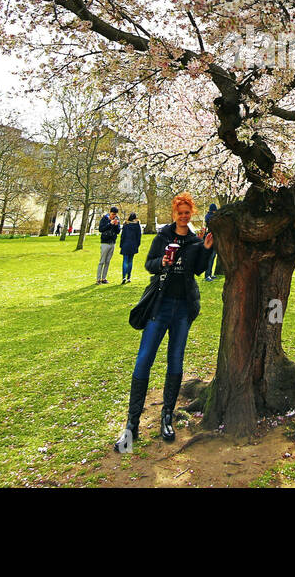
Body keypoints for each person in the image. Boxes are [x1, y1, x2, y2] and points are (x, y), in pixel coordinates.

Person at [115, 193, 214, 451]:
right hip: (160, 305)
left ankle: (166, 416)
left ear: (190, 213)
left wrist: (205, 249)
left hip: (183, 308)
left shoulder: (194, 241)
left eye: (186, 212)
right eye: (179, 212)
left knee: (176, 360)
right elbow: (149, 264)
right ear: (174, 213)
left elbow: (198, 271)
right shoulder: (163, 237)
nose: (183, 216)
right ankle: (131, 424)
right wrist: (163, 261)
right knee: (144, 359)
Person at [96, 206, 120, 285]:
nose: (114, 216)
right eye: (113, 214)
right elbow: (101, 229)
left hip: (112, 242)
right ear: (110, 212)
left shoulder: (117, 219)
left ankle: (104, 278)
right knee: (102, 261)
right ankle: (98, 279)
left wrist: (116, 225)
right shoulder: (104, 219)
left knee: (107, 261)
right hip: (105, 242)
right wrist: (110, 224)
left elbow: (118, 231)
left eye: (115, 215)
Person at [118, 212, 143, 285]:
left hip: (125, 244)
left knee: (125, 261)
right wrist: (137, 245)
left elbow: (122, 236)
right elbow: (139, 237)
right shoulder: (137, 226)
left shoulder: (126, 225)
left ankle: (123, 277)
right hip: (133, 244)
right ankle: (129, 277)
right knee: (130, 261)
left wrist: (121, 244)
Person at [202, 203, 219, 281]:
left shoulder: (212, 216)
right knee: (210, 257)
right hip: (210, 238)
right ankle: (207, 275)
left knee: (213, 257)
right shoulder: (209, 217)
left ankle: (210, 274)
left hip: (214, 238)